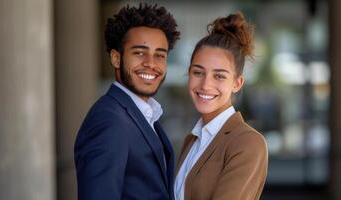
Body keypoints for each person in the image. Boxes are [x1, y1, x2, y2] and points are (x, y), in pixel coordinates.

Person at [74, 4, 180, 200]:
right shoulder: (109, 121)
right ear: (116, 58)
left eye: (160, 55)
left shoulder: (144, 114)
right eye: (140, 52)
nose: (151, 63)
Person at [174, 11, 268, 200]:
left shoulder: (248, 143)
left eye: (219, 76)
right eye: (198, 73)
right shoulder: (192, 141)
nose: (205, 85)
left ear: (237, 83)